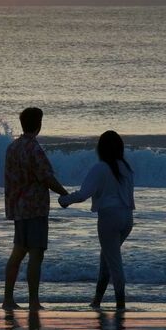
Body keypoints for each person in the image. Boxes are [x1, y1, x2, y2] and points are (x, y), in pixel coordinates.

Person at [59, 130, 135, 309]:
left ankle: (120, 304)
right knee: (107, 257)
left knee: (114, 262)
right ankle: (97, 300)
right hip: (127, 218)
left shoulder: (100, 168)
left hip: (109, 218)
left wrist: (65, 200)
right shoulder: (126, 167)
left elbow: (83, 194)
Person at [3, 107, 68, 311]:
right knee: (36, 254)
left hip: (18, 208)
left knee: (18, 252)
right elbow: (46, 177)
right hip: (35, 208)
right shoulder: (34, 148)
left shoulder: (12, 147)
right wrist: (66, 194)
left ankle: (8, 298)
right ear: (38, 125)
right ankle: (33, 301)